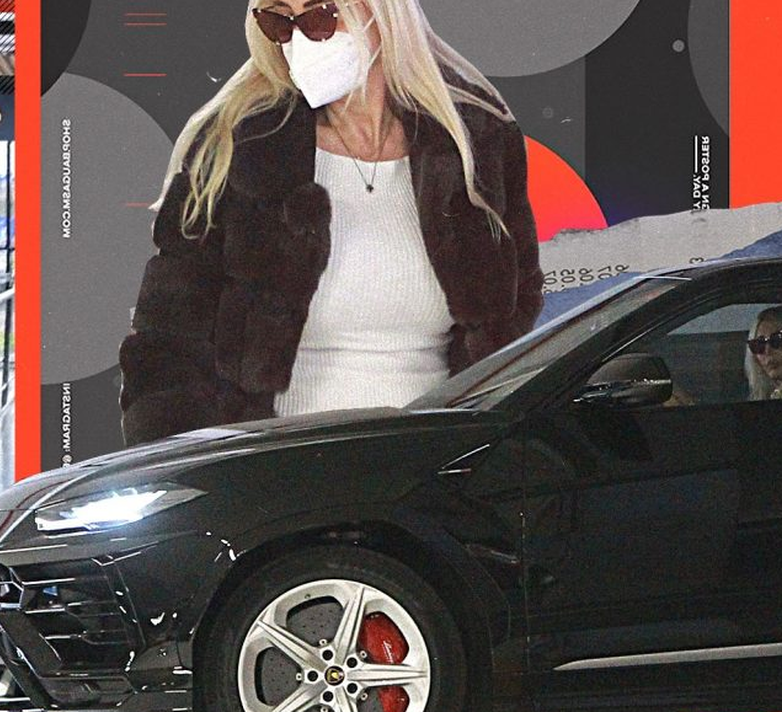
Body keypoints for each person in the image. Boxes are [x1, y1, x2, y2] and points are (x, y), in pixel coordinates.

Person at [119, 0, 543, 445]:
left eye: (320, 15)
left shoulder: (477, 142)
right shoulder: (232, 148)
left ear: (382, 13)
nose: (300, 39)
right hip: (276, 467)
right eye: (278, 21)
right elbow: (167, 346)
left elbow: (513, 320)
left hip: (433, 463)